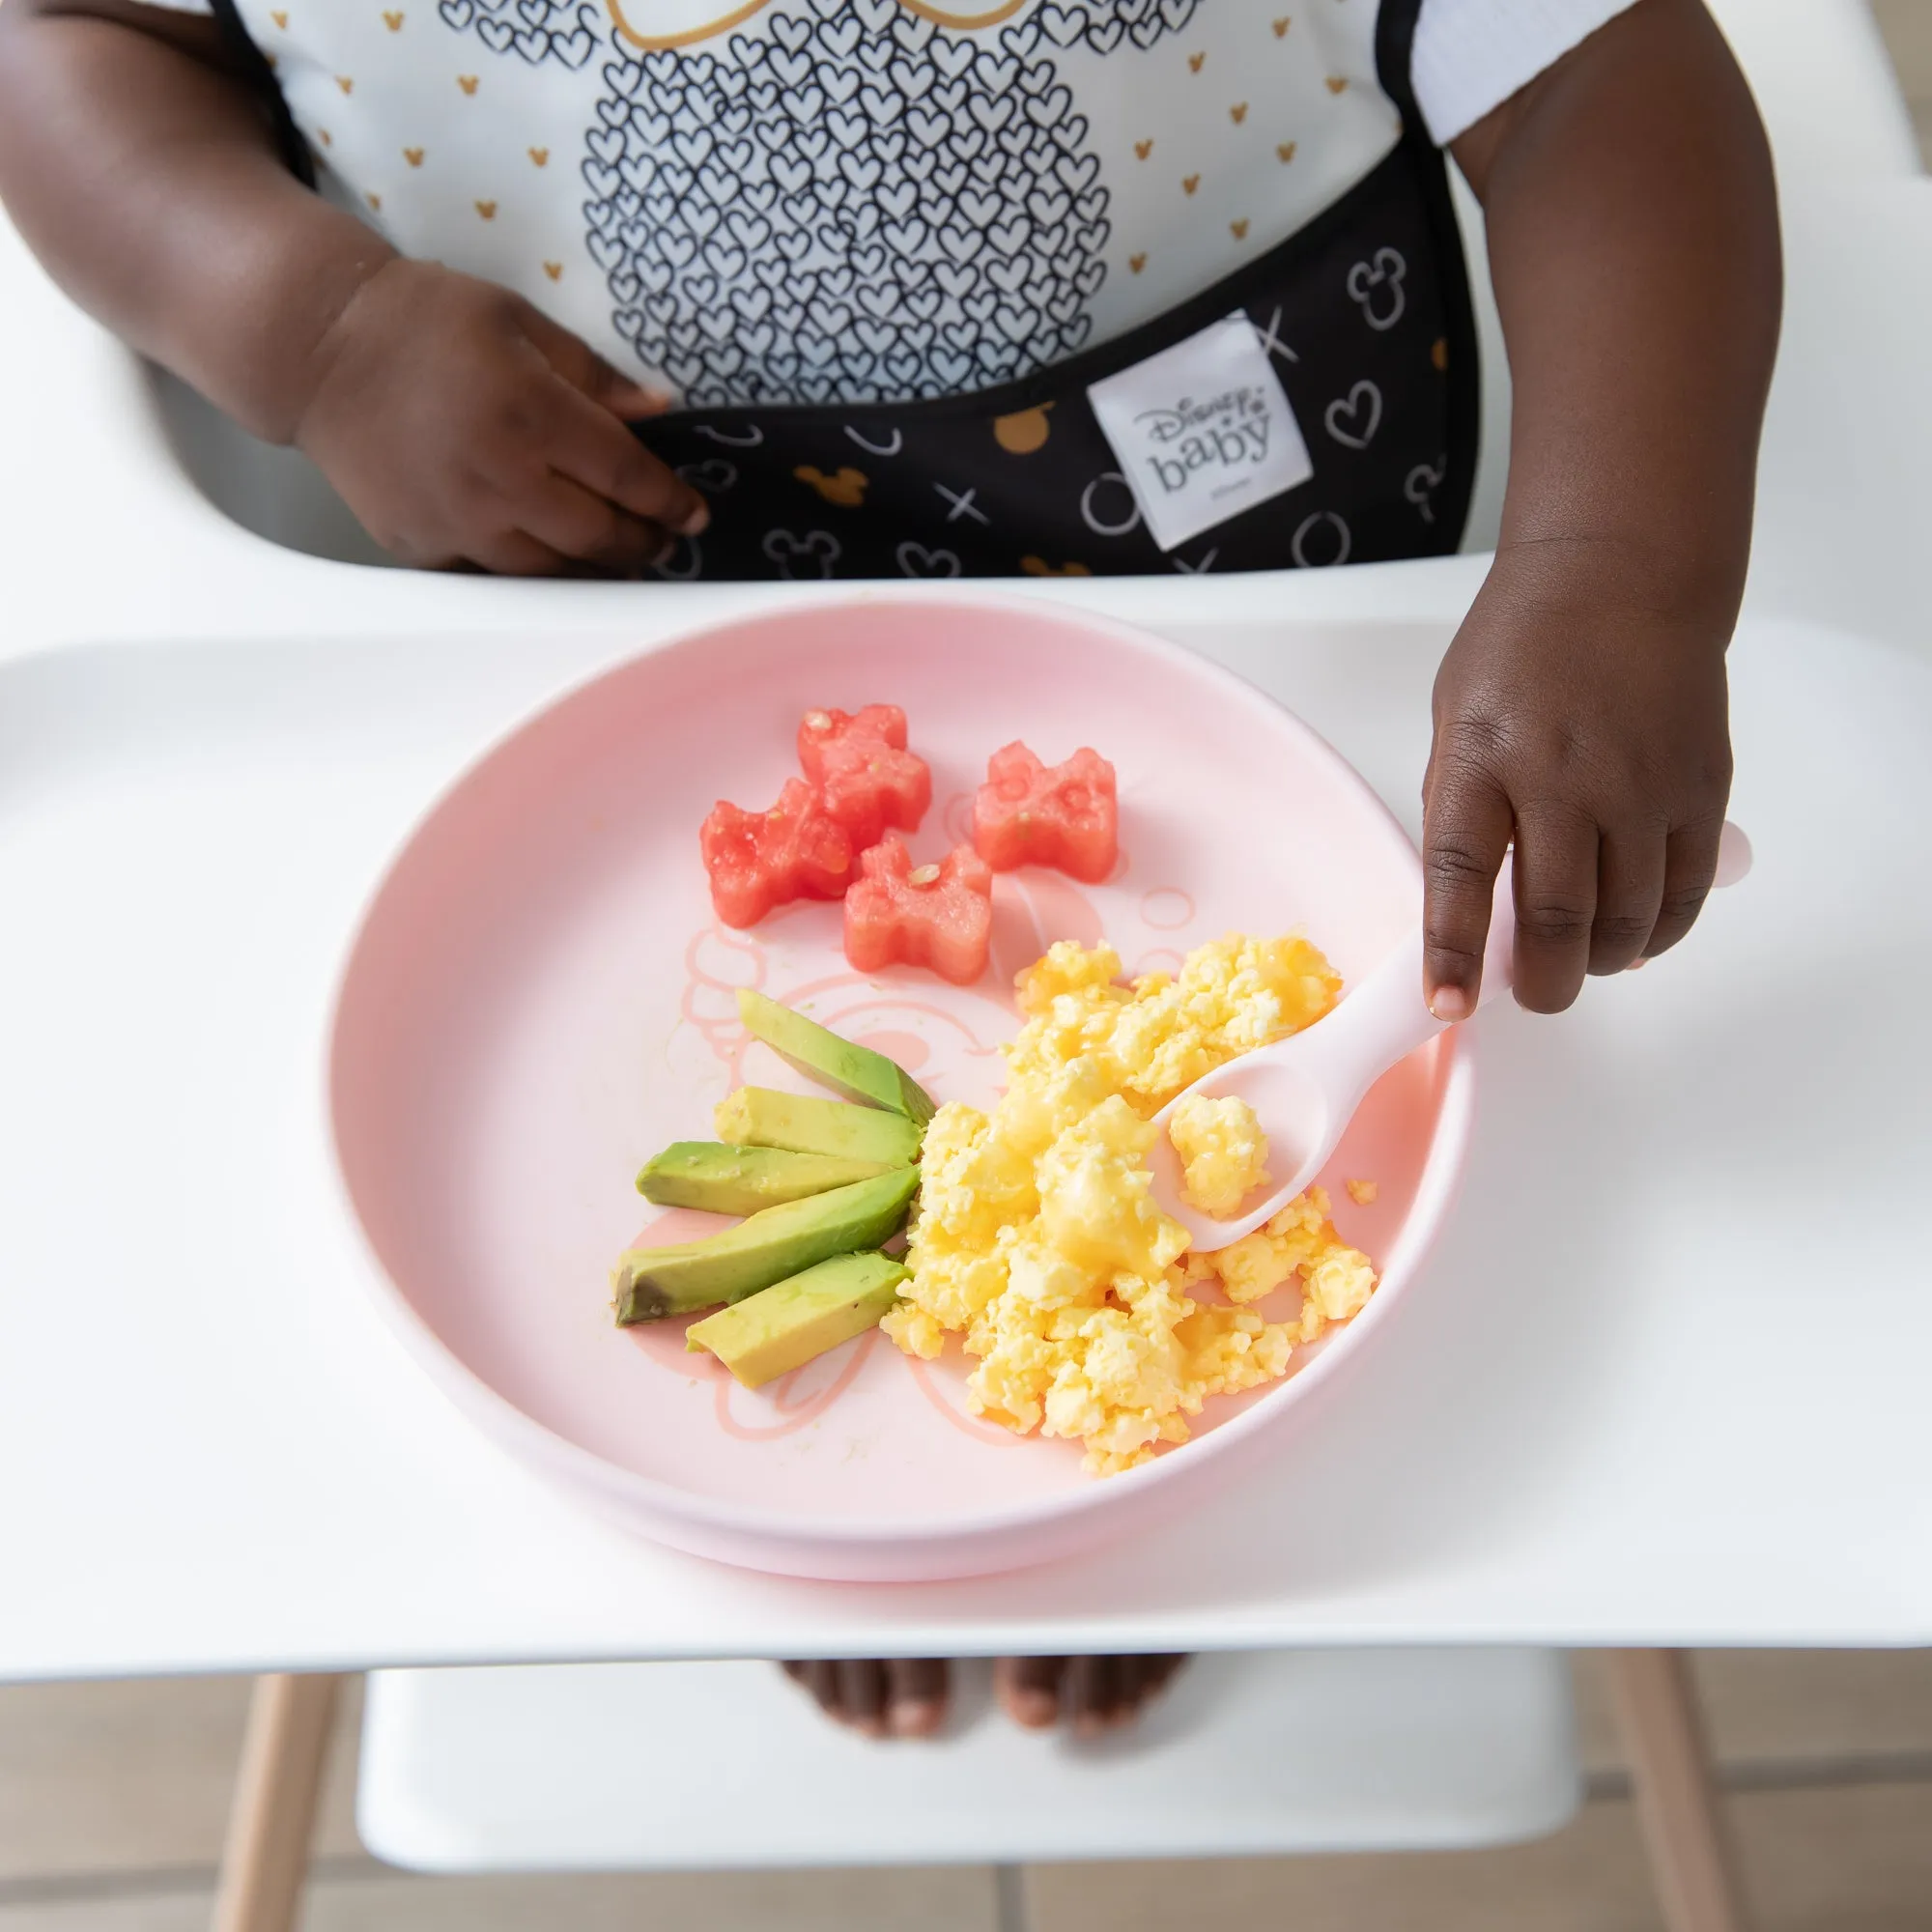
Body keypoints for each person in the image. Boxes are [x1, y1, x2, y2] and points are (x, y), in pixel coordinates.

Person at [0, 0, 1777, 1740]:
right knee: (658, 1404)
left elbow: (1595, 74)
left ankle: (1123, 1524)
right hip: (584, 548)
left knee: (1491, 1344)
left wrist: (1620, 574)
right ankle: (844, 1530)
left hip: (1251, 538)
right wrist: (316, 331)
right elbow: (73, 43)